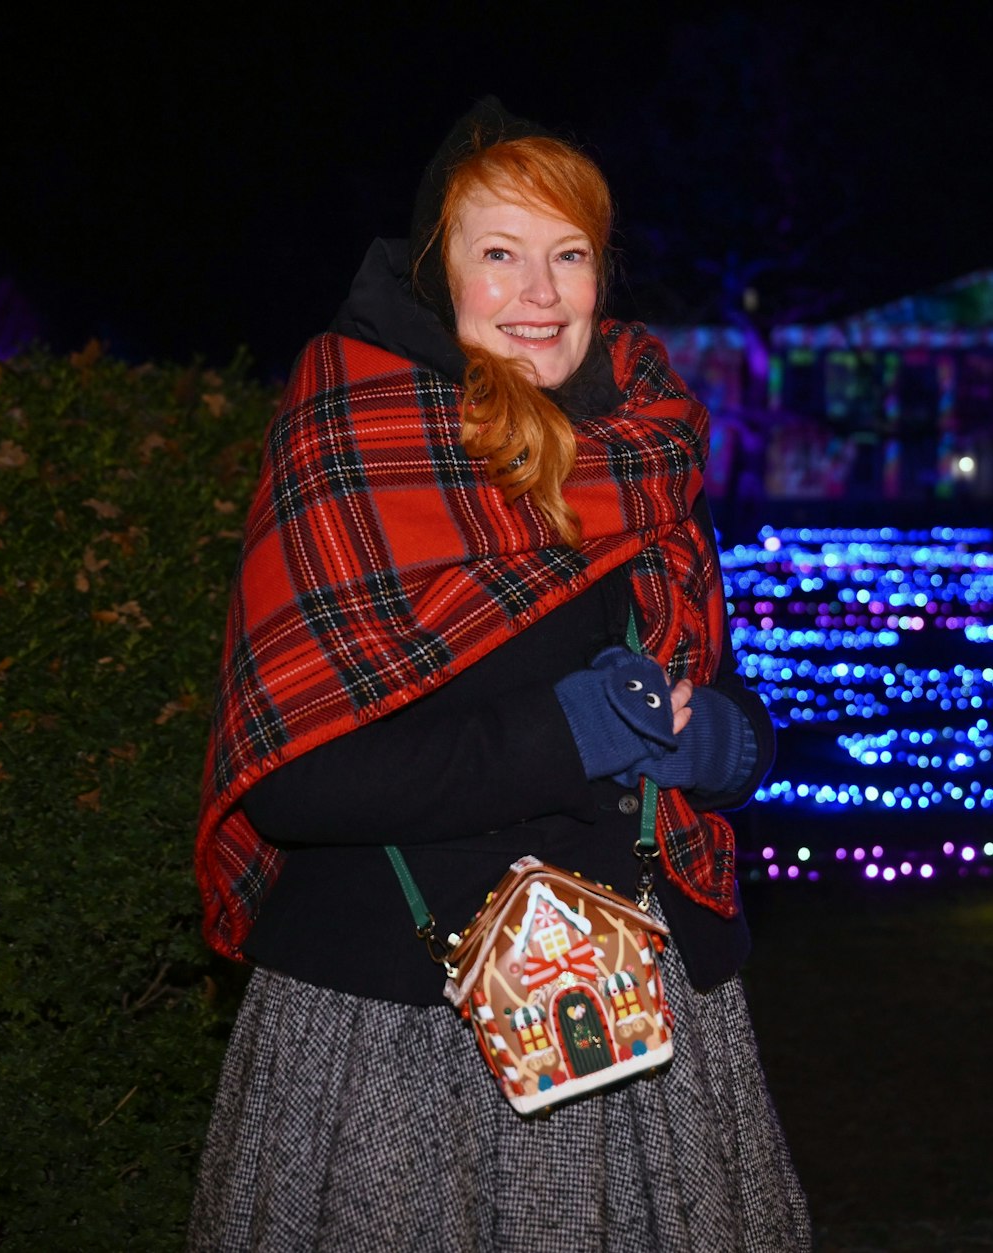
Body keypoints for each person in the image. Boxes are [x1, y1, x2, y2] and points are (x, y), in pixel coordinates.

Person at [188, 98, 811, 1251]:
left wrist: (728, 745)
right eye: (500, 253)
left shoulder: (650, 440)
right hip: (398, 1033)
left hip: (641, 1019)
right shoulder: (348, 441)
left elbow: (714, 686)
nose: (540, 291)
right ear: (437, 273)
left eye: (568, 255)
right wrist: (567, 732)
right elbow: (295, 778)